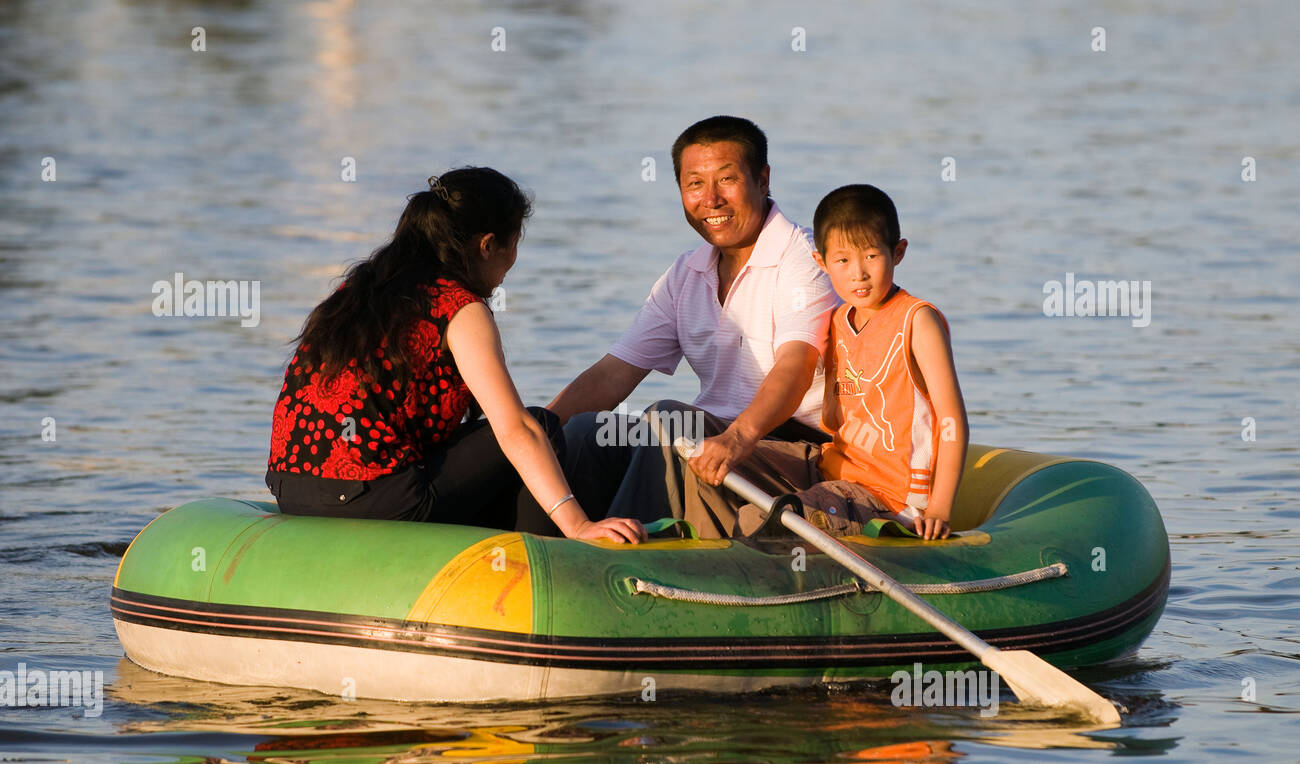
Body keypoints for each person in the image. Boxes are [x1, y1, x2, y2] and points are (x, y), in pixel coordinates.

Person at [264, 167, 646, 544]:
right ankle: (539, 556)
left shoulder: (361, 290)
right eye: (514, 245)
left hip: (291, 489)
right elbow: (517, 429)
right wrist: (578, 525)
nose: (511, 264)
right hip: (374, 497)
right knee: (540, 426)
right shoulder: (459, 307)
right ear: (487, 245)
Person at [548, 116, 839, 532]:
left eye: (727, 179)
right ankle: (554, 550)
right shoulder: (685, 274)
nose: (711, 199)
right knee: (585, 431)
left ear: (763, 179)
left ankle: (638, 566)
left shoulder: (805, 261)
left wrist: (738, 438)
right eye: (695, 184)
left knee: (667, 421)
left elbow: (796, 367)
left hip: (797, 451)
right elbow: (613, 374)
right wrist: (534, 429)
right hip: (712, 439)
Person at [722, 183, 969, 540]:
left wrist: (940, 510)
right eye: (842, 260)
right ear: (821, 262)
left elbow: (951, 420)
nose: (858, 273)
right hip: (833, 469)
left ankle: (739, 575)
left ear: (897, 252)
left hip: (888, 497)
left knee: (759, 520)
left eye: (871, 256)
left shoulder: (917, 320)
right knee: (714, 462)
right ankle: (688, 560)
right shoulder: (837, 321)